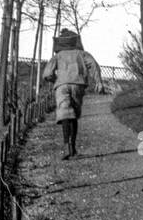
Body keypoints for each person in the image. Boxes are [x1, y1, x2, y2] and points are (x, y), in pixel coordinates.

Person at [42, 28, 105, 159]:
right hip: (78, 85)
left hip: (61, 86)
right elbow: (94, 65)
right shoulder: (82, 54)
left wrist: (57, 80)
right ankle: (73, 149)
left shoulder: (57, 56)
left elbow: (47, 74)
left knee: (65, 114)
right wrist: (98, 82)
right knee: (74, 115)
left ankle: (66, 147)